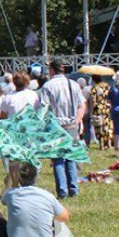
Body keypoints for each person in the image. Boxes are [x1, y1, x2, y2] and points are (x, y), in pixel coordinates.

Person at [0, 163, 77, 237]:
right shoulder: (47, 196)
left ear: (19, 178)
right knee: (52, 218)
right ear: (37, 177)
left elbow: (3, 198)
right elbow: (64, 217)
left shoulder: (11, 195)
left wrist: (10, 181)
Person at [39, 61, 86, 198]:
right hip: (72, 125)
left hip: (56, 126)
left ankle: (62, 191)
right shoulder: (74, 84)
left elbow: (44, 109)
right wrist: (78, 120)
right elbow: (82, 105)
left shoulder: (48, 86)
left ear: (52, 70)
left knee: (58, 160)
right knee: (70, 158)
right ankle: (73, 189)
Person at [88, 74, 112, 150]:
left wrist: (91, 111)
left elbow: (93, 100)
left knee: (99, 127)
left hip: (98, 109)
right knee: (107, 126)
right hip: (106, 108)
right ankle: (109, 144)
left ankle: (101, 145)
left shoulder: (94, 88)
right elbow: (109, 97)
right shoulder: (107, 86)